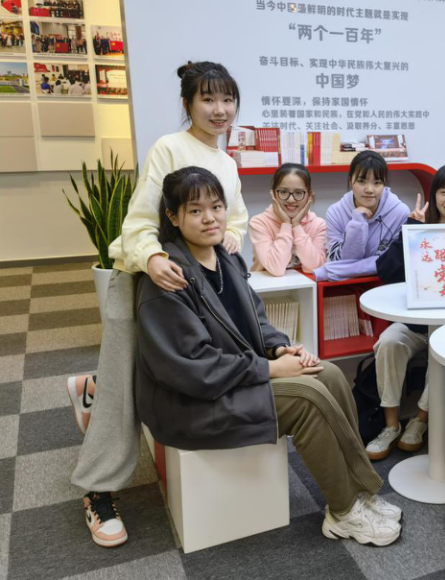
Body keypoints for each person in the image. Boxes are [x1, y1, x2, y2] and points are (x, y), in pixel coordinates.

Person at [136, 166, 402, 546]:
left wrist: (280, 347)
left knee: (328, 374)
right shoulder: (165, 280)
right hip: (196, 402)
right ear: (173, 216)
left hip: (235, 378)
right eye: (195, 210)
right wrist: (271, 368)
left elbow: (257, 321)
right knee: (308, 398)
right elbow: (192, 369)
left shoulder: (226, 258)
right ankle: (342, 511)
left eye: (216, 207)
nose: (209, 218)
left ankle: (359, 491)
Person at [65, 61, 248, 548]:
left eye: (227, 99)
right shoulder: (169, 147)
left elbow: (236, 217)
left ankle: (89, 387)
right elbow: (139, 221)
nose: (219, 109)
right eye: (208, 99)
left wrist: (231, 233)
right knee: (123, 387)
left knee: (176, 372)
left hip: (196, 289)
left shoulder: (228, 163)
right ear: (187, 104)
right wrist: (152, 257)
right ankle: (98, 490)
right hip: (149, 282)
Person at [366, 164, 445, 460]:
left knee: (442, 354)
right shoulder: (419, 230)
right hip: (415, 324)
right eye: (443, 191)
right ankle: (391, 425)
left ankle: (420, 421)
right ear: (433, 195)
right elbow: (385, 271)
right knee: (388, 342)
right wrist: (409, 230)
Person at [314, 150, 409, 282]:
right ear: (351, 181)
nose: (369, 189)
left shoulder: (399, 212)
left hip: (385, 282)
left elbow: (391, 262)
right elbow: (339, 261)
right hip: (344, 286)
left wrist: (329, 271)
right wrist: (357, 223)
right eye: (362, 181)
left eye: (377, 183)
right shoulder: (335, 213)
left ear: (384, 184)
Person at [249, 163, 326, 277]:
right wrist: (286, 224)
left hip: (305, 286)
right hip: (268, 285)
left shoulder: (318, 225)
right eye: (283, 192)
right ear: (273, 193)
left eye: (298, 193)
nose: (290, 199)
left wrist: (296, 226)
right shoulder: (259, 223)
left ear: (309, 196)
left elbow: (314, 268)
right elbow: (276, 269)